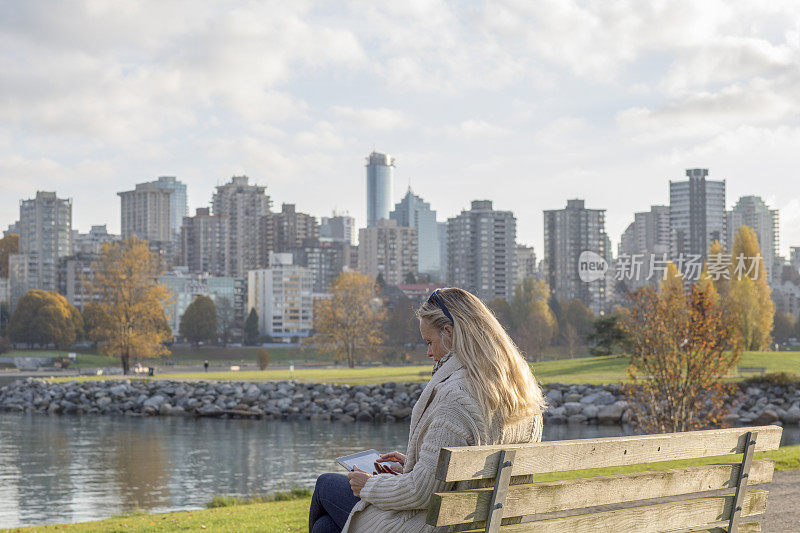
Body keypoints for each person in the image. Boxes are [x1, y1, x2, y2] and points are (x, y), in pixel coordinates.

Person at [308, 287, 546, 533]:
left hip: (440, 525)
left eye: (430, 342)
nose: (429, 352)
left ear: (449, 333)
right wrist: (416, 463)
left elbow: (420, 493)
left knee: (326, 485)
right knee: (325, 527)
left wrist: (368, 486)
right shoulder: (522, 390)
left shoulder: (458, 396)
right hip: (487, 522)